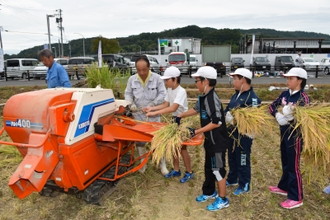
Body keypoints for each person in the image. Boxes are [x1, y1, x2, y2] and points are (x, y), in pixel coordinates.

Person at [177, 66, 230, 211]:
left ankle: (223, 199)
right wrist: (179, 115)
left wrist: (197, 131)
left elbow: (217, 121)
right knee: (209, 167)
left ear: (205, 81)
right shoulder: (204, 97)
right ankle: (209, 192)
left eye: (197, 80)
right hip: (210, 141)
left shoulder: (212, 98)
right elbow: (196, 110)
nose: (196, 83)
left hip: (217, 142)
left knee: (218, 169)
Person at [268, 67, 310, 209]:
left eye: (291, 78)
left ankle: (296, 197)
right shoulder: (284, 94)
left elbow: (305, 118)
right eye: (287, 78)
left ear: (300, 81)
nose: (288, 81)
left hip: (295, 136)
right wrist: (277, 115)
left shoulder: (303, 98)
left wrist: (293, 118)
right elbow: (271, 106)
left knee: (293, 166)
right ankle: (284, 187)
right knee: (285, 161)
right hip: (283, 133)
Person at [144, 66, 193, 183]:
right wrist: (151, 108)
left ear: (175, 79)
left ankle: (189, 172)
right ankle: (176, 170)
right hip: (174, 121)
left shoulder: (181, 91)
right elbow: (165, 104)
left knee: (182, 148)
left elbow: (173, 108)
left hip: (182, 122)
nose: (165, 82)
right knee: (173, 146)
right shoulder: (170, 90)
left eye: (167, 80)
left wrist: (154, 113)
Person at [124, 56, 168, 175]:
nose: (142, 73)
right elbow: (128, 93)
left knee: (158, 140)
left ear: (149, 67)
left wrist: (153, 105)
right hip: (138, 116)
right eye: (139, 70)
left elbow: (163, 93)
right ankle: (142, 164)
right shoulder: (132, 79)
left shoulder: (157, 79)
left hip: (153, 115)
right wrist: (130, 104)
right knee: (140, 141)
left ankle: (162, 164)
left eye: (144, 69)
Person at [225, 68, 261, 195]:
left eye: (235, 79)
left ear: (243, 80)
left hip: (244, 136)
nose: (233, 81)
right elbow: (228, 109)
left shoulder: (253, 99)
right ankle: (232, 178)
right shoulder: (236, 94)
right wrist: (226, 116)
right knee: (232, 156)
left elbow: (254, 120)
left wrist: (236, 120)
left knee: (242, 159)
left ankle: (244, 183)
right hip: (232, 133)